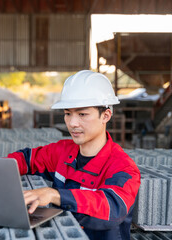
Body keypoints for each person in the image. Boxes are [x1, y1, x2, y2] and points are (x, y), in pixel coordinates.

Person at [7, 70, 141, 240]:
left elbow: (111, 208)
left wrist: (55, 194)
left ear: (105, 116)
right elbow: (27, 158)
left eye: (82, 114)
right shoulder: (62, 152)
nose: (72, 123)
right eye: (68, 113)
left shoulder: (123, 168)